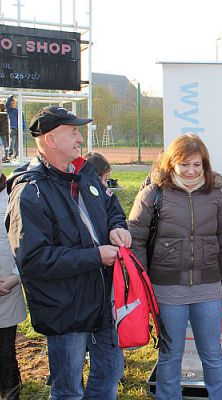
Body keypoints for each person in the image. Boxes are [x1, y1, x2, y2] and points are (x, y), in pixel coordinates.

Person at [5, 106, 131, 399]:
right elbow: (33, 260)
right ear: (50, 140)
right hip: (66, 310)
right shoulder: (30, 191)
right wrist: (96, 256)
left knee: (109, 376)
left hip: (104, 301)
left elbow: (112, 208)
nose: (80, 137)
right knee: (68, 390)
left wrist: (117, 226)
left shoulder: (85, 172)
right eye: (73, 131)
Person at [129, 134, 222, 400]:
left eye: (197, 165)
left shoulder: (216, 197)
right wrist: (143, 288)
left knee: (212, 353)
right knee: (169, 354)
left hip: (209, 289)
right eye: (184, 165)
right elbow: (135, 243)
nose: (191, 171)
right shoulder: (152, 195)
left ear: (205, 165)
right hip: (167, 291)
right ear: (171, 165)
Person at [0, 159, 27, 400]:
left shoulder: (14, 195)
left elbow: (26, 241)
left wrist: (15, 278)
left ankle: (11, 392)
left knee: (5, 350)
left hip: (6, 288)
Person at [5, 96, 25, 161]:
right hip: (13, 128)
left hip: (19, 129)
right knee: (12, 142)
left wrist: (23, 129)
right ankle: (9, 155)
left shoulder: (18, 111)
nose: (13, 104)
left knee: (17, 143)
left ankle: (16, 155)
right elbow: (7, 103)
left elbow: (22, 121)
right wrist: (11, 96)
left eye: (14, 102)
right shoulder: (9, 110)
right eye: (12, 103)